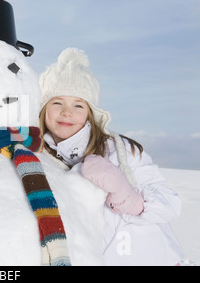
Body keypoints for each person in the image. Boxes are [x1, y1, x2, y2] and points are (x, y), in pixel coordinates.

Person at [38, 47, 184, 265]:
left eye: (78, 104)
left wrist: (128, 197)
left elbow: (171, 204)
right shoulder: (37, 161)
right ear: (43, 109)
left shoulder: (122, 150)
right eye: (57, 102)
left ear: (90, 112)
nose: (66, 112)